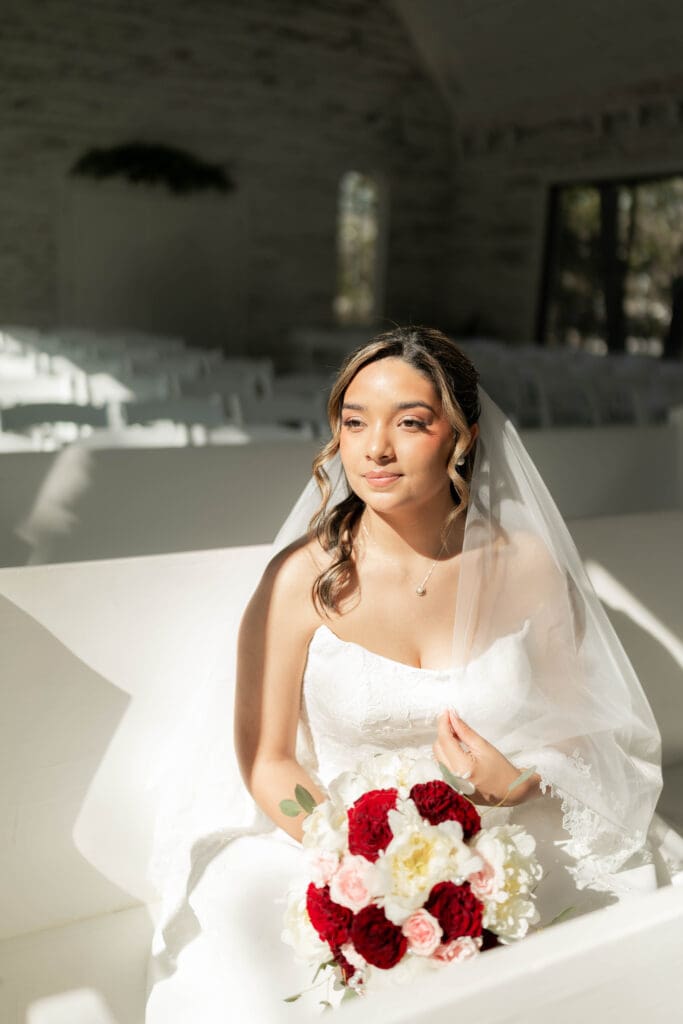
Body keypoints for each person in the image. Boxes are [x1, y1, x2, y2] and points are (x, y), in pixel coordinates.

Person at [145, 326, 675, 1023]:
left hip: (510, 832)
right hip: (329, 841)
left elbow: (581, 732)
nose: (376, 448)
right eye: (354, 422)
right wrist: (357, 861)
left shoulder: (527, 566)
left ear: (463, 437)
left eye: (410, 423)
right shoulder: (300, 580)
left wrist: (516, 782)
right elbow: (268, 761)